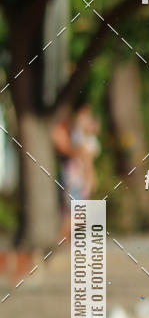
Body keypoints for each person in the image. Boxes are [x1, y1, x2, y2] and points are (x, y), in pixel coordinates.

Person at [53, 102, 100, 238]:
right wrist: (91, 177)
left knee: (75, 214)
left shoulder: (79, 136)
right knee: (76, 214)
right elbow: (85, 159)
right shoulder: (79, 137)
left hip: (76, 178)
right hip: (77, 179)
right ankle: (59, 241)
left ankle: (62, 241)